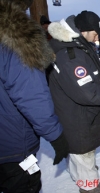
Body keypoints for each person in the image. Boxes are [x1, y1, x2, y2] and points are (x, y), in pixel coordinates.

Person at [47, 10, 100, 193]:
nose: (97, 38)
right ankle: (90, 187)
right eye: (95, 33)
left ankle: (82, 176)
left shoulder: (80, 48)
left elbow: (97, 75)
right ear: (84, 30)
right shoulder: (70, 56)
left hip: (80, 114)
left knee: (82, 154)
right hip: (76, 117)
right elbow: (89, 93)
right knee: (83, 151)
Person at [0, 0, 69, 192]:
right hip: (13, 147)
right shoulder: (15, 38)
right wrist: (56, 136)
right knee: (27, 183)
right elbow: (31, 95)